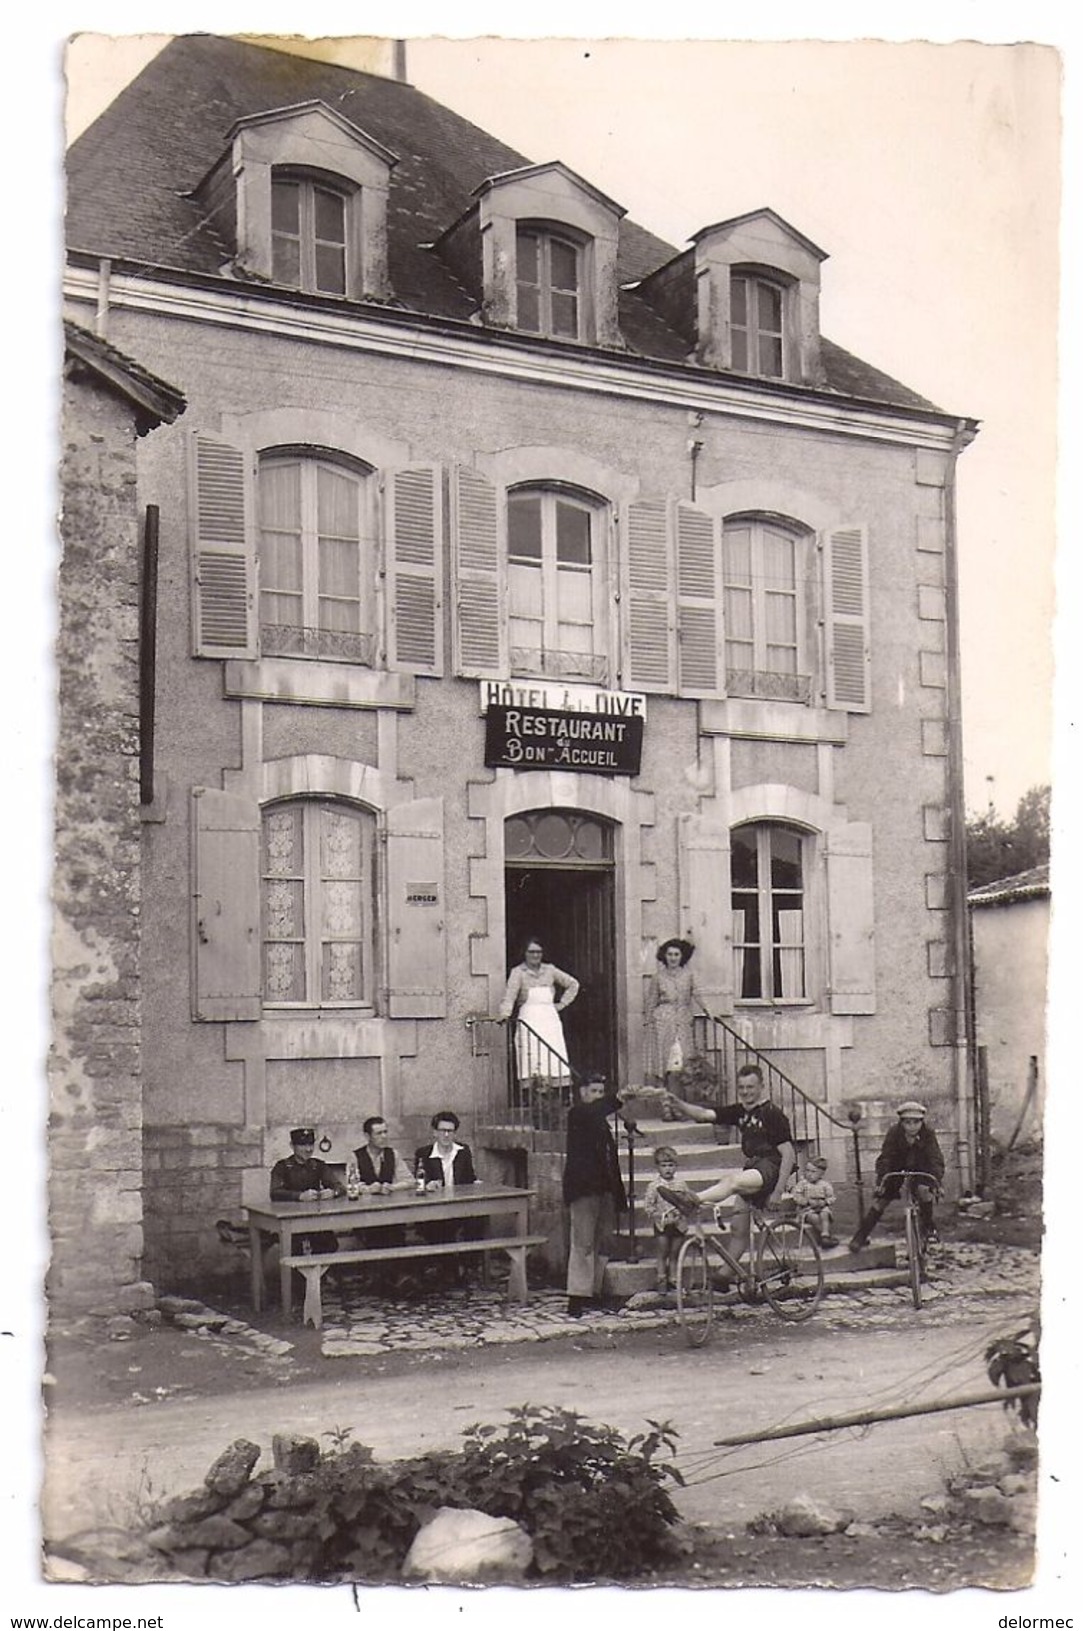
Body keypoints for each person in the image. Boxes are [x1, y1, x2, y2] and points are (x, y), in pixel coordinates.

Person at [662, 1064, 796, 1266]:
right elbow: (704, 1114)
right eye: (741, 1087)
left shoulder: (772, 1113)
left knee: (731, 1182)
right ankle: (725, 1276)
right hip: (753, 1169)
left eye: (750, 1087)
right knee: (738, 1229)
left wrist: (778, 1192)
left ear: (762, 1086)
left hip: (771, 1167)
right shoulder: (739, 1111)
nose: (745, 1092)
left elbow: (789, 1155)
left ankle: (692, 1200)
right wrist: (679, 1104)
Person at [563, 1072, 629, 1317]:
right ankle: (576, 1297)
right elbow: (593, 1112)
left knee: (604, 1243)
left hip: (604, 1190)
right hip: (584, 1189)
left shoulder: (602, 1123)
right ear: (583, 1093)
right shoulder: (578, 1115)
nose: (598, 1097)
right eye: (594, 1092)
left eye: (602, 1092)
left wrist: (618, 1195)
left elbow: (611, 1162)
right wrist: (618, 1098)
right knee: (584, 1243)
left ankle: (595, 1291)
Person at [848, 1101, 945, 1251]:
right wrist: (882, 1181)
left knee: (924, 1192)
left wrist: (936, 1179)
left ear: (922, 1122)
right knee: (881, 1200)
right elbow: (886, 1158)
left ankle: (929, 1228)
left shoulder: (928, 1133)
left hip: (921, 1167)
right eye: (907, 1123)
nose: (912, 1127)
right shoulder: (894, 1133)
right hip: (896, 1167)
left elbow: (935, 1158)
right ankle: (861, 1236)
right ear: (901, 1123)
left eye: (916, 1122)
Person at [499, 938, 579, 1091]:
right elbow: (510, 996)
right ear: (525, 953)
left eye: (538, 952)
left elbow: (573, 984)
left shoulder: (550, 970)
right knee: (532, 1056)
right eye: (531, 952)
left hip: (550, 1021)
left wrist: (561, 1004)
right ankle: (535, 1095)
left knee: (553, 1058)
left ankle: (555, 1095)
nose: (535, 955)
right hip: (530, 1019)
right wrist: (505, 1014)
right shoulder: (518, 972)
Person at [413, 1111, 484, 1268]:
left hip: (460, 1207)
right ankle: (449, 1268)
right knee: (438, 1228)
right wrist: (428, 1185)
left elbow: (469, 1178)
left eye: (450, 1131)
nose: (446, 1135)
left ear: (454, 1133)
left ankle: (468, 1265)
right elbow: (419, 1181)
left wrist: (477, 1184)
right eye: (442, 1131)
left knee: (478, 1220)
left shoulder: (463, 1151)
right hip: (435, 1209)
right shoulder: (424, 1154)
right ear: (434, 1132)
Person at [349, 1115, 414, 1277]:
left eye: (385, 1132)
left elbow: (409, 1180)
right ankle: (384, 1279)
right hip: (365, 1216)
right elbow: (351, 1186)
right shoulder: (355, 1157)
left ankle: (395, 1278)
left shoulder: (393, 1154)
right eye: (379, 1133)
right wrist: (370, 1189)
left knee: (395, 1235)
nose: (384, 1137)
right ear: (367, 1136)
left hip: (391, 1215)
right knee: (377, 1237)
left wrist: (392, 1186)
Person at [269, 1127, 346, 1255]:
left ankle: (321, 1274)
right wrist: (299, 1196)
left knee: (330, 1244)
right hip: (291, 1223)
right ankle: (299, 1275)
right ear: (292, 1146)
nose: (308, 1149)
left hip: (315, 1222)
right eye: (303, 1145)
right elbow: (275, 1192)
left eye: (311, 1144)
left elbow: (340, 1187)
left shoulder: (318, 1165)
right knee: (295, 1250)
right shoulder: (282, 1167)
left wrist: (333, 1192)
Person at [644, 938, 701, 1093]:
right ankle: (666, 1108)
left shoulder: (688, 976)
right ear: (665, 956)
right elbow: (651, 1001)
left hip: (682, 1023)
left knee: (681, 1064)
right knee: (663, 1065)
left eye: (676, 954)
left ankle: (679, 1105)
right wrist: (648, 1023)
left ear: (682, 956)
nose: (673, 958)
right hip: (662, 1024)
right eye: (670, 954)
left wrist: (710, 1012)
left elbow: (697, 994)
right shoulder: (658, 977)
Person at [643, 1145, 700, 1293]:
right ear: (657, 1167)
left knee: (675, 1253)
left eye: (671, 1165)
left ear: (676, 1166)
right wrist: (661, 1216)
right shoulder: (654, 1186)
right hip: (662, 1225)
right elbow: (649, 1207)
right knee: (662, 1252)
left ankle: (674, 1279)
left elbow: (687, 1200)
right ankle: (661, 1278)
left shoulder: (681, 1185)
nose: (668, 1169)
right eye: (664, 1166)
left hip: (679, 1224)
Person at [787, 1154, 838, 1247]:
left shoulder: (825, 1185)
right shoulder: (803, 1184)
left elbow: (832, 1197)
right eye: (807, 1170)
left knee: (825, 1215)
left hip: (821, 1207)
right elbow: (796, 1195)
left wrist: (825, 1202)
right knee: (814, 1218)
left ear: (821, 1174)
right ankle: (824, 1237)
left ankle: (825, 1235)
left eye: (813, 1171)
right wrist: (805, 1201)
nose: (809, 1174)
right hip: (807, 1209)